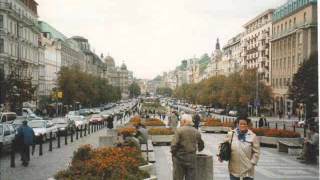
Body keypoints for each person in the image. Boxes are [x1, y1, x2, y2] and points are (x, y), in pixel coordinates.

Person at [218, 115, 260, 180]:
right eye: (241, 124)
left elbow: (256, 152)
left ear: (247, 125)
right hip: (234, 167)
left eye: (244, 124)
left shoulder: (253, 136)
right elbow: (222, 145)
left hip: (248, 169)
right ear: (237, 124)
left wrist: (252, 163)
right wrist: (220, 155)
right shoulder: (231, 134)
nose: (242, 125)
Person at [171, 114, 204, 180]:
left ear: (184, 121)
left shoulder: (179, 130)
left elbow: (173, 145)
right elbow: (201, 145)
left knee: (178, 177)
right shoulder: (196, 131)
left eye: (181, 121)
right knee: (191, 177)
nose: (180, 122)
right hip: (191, 158)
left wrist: (174, 154)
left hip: (179, 158)